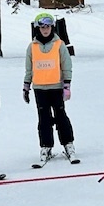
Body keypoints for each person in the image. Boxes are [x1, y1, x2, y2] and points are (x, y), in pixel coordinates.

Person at [23, 13, 76, 163]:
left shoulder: (59, 44)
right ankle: (46, 146)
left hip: (56, 87)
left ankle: (68, 144)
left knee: (61, 116)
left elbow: (66, 65)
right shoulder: (32, 47)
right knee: (43, 119)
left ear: (52, 27)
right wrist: (26, 86)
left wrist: (67, 85)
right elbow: (29, 68)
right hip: (40, 88)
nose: (45, 30)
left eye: (47, 27)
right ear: (37, 28)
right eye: (42, 27)